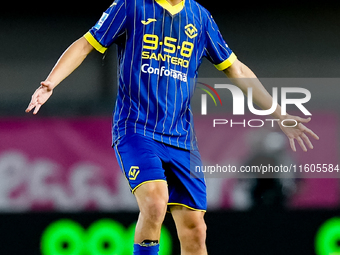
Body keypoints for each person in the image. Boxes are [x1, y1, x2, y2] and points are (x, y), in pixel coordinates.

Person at [26, 0, 319, 254]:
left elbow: (236, 69)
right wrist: (51, 82)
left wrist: (278, 113)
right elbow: (86, 43)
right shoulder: (131, 6)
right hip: (136, 129)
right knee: (155, 201)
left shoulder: (200, 18)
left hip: (181, 138)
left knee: (195, 229)